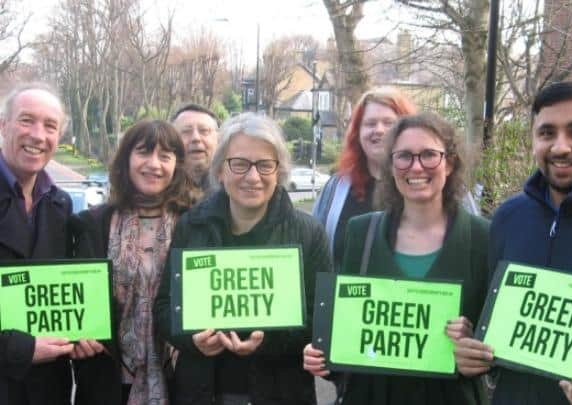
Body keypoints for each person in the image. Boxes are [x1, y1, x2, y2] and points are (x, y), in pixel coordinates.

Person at [304, 112, 490, 405]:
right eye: (404, 156)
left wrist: (474, 344)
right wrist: (323, 358)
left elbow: (495, 348)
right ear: (391, 165)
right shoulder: (361, 233)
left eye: (429, 155)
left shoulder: (484, 238)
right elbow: (349, 337)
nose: (416, 167)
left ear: (450, 162)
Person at [154, 112, 332, 405]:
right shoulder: (191, 226)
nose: (252, 177)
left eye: (264, 165)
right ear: (221, 171)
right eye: (239, 164)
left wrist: (267, 341)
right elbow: (164, 309)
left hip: (281, 393)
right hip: (201, 392)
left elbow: (322, 322)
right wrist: (191, 339)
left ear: (279, 171)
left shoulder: (309, 233)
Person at [454, 81, 572, 404]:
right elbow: (491, 327)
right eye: (547, 133)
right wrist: (470, 352)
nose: (560, 147)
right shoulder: (508, 218)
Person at [68, 119, 197, 405]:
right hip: (107, 384)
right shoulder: (91, 225)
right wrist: (76, 339)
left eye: (165, 156)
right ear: (126, 159)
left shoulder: (196, 223)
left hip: (180, 383)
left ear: (177, 165)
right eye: (143, 152)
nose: (154, 164)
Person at [0, 82, 75, 405]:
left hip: (49, 390)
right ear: (3, 125)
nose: (38, 135)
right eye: (26, 120)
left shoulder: (61, 205)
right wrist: (20, 349)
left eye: (50, 126)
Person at [312, 87, 417, 270]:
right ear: (357, 132)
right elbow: (315, 250)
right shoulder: (336, 188)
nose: (379, 130)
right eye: (370, 123)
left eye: (388, 123)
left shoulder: (431, 184)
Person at [172, 104, 220, 193]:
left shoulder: (232, 191)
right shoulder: (158, 190)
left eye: (204, 130)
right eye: (186, 131)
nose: (196, 138)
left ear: (218, 139)